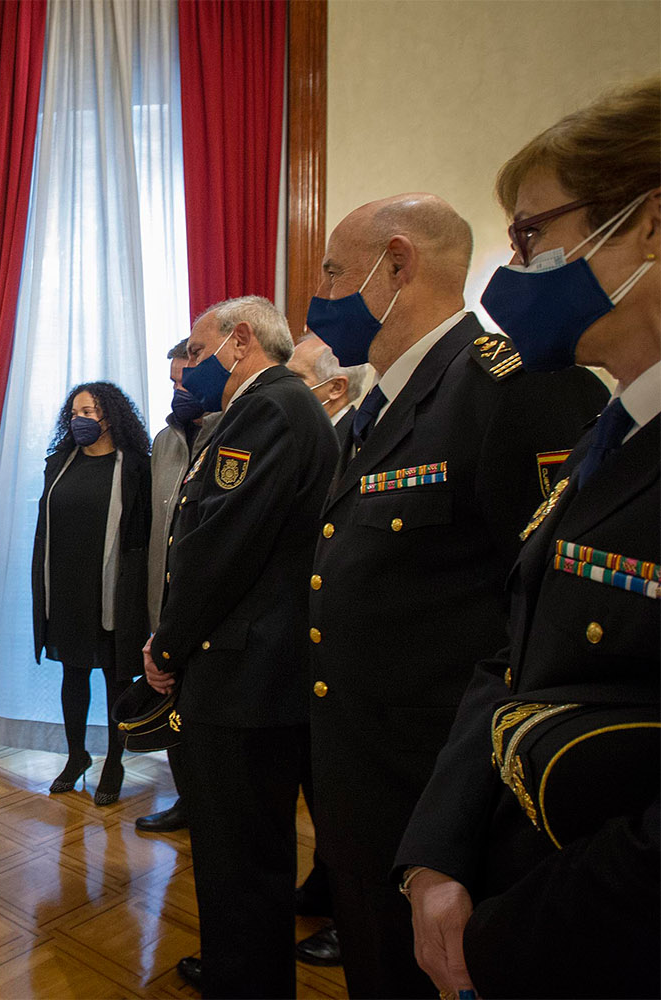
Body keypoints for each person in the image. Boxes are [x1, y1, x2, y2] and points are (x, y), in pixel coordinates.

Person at [305, 192, 608, 998]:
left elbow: (541, 626)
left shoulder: (510, 386)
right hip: (359, 780)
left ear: (397, 264)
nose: (323, 293)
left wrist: (457, 825)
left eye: (336, 271)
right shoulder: (378, 405)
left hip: (439, 793)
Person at [397, 77, 660, 1000]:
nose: (516, 267)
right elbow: (512, 660)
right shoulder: (615, 433)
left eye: (531, 233)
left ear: (649, 226)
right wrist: (435, 854)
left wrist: (505, 939)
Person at [142, 296, 338, 997]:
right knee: (241, 853)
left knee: (241, 855)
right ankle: (237, 968)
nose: (188, 367)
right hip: (255, 664)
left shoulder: (268, 409)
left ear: (240, 341)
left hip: (247, 671)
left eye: (196, 353)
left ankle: (244, 981)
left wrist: (166, 647)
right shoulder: (277, 408)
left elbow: (218, 548)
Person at [31, 381, 151, 805]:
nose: (80, 421)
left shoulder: (136, 466)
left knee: (118, 676)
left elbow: (144, 536)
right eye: (75, 414)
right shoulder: (59, 462)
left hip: (114, 589)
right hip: (65, 586)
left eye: (89, 413)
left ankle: (115, 762)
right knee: (73, 672)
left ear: (110, 417)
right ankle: (76, 755)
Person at [134, 338, 219, 835]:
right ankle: (186, 797)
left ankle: (210, 804)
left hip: (203, 601)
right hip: (161, 597)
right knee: (169, 701)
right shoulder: (165, 441)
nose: (178, 389)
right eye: (172, 382)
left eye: (185, 379)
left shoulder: (232, 430)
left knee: (203, 709)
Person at [287, 333, 372, 450]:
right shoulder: (290, 430)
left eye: (295, 376)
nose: (284, 383)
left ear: (336, 388)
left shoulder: (358, 444)